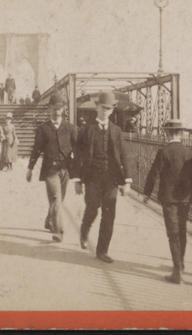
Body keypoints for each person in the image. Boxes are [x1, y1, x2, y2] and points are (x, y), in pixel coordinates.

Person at [72, 91, 132, 263]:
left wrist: (126, 182)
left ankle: (102, 251)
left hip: (111, 180)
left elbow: (124, 156)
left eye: (109, 108)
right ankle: (84, 229)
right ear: (97, 107)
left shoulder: (117, 131)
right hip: (92, 178)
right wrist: (77, 181)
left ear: (112, 110)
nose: (105, 111)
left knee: (109, 215)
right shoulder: (86, 129)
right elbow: (78, 155)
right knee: (92, 209)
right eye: (102, 107)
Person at [143, 119, 192, 284]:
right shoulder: (189, 153)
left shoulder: (163, 151)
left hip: (169, 199)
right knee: (181, 230)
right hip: (185, 198)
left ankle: (177, 272)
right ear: (181, 133)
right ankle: (181, 263)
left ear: (166, 133)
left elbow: (154, 173)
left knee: (172, 234)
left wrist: (147, 193)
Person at [27, 94, 78, 243]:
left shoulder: (70, 128)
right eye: (53, 109)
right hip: (50, 171)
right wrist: (30, 168)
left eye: (59, 109)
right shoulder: (43, 129)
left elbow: (79, 148)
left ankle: (49, 219)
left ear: (63, 110)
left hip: (65, 170)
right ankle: (58, 231)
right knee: (56, 198)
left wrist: (80, 169)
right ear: (49, 109)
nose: (56, 112)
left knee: (59, 200)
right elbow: (36, 149)